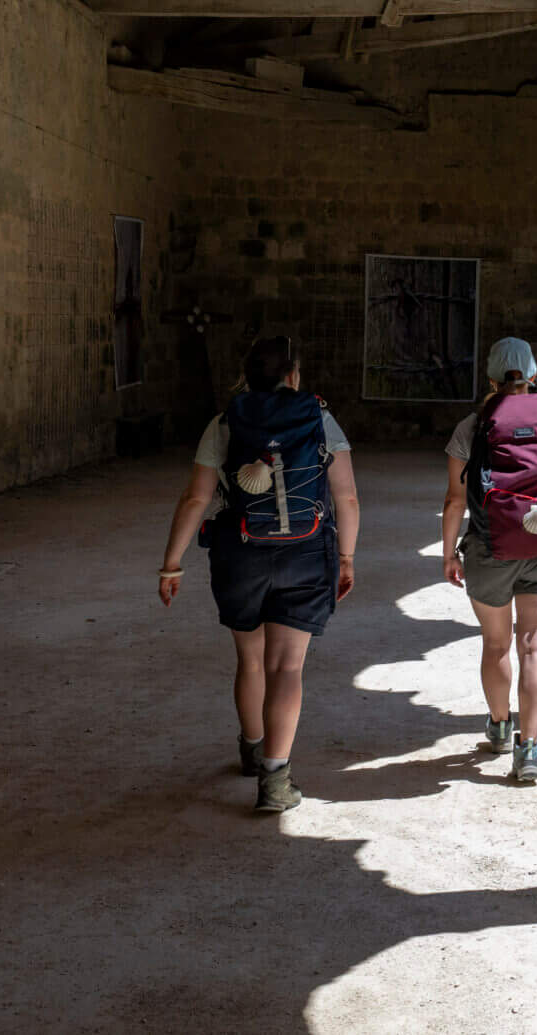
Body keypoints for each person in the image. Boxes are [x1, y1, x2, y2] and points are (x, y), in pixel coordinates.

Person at [156, 336, 360, 815]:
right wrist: (346, 558)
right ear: (293, 375)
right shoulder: (319, 418)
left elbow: (196, 498)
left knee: (250, 662)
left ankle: (251, 748)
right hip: (307, 554)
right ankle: (275, 781)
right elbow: (347, 497)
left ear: (246, 375)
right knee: (286, 668)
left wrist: (172, 562)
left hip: (240, 553)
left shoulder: (226, 423)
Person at [442, 337, 537, 784]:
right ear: (532, 377)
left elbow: (454, 500)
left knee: (496, 644)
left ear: (490, 379)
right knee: (535, 647)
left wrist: (449, 552)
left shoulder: (471, 427)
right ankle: (529, 750)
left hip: (489, 548)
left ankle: (501, 725)